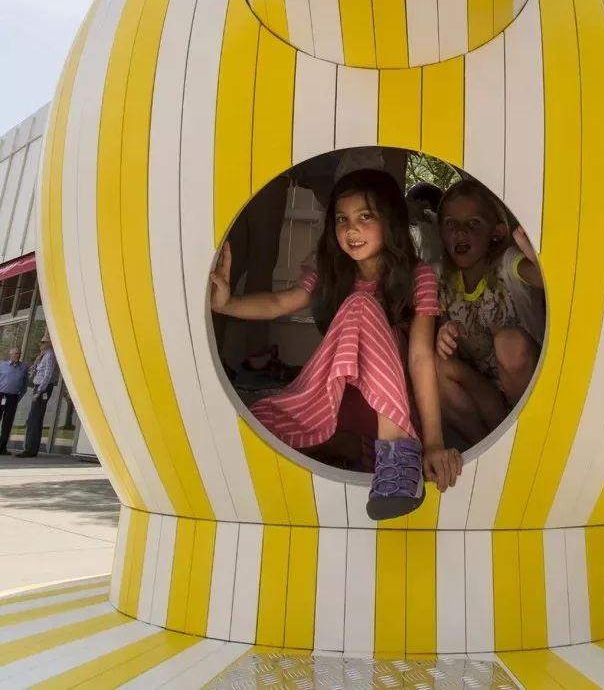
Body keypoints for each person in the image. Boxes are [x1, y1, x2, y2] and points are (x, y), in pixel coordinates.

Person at [211, 168, 462, 520]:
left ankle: (397, 451)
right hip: (335, 401)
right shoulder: (332, 271)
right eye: (342, 219)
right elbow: (280, 302)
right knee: (255, 426)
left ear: (390, 221)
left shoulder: (417, 275)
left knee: (361, 306)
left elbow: (421, 358)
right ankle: (360, 449)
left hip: (392, 412)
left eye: (365, 217)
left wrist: (433, 443)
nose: (351, 229)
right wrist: (226, 305)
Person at [435, 180, 545, 447]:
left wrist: (538, 259)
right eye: (451, 224)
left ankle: (526, 437)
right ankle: (486, 450)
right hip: (488, 398)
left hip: (532, 390)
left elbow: (543, 279)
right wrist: (444, 333)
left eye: (473, 223)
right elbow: (446, 346)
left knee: (508, 342)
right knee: (436, 363)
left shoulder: (507, 263)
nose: (460, 232)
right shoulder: (442, 279)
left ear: (496, 231)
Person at [15, 336, 58, 458]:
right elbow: (35, 370)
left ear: (49, 344)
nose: (41, 344)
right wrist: (35, 362)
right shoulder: (43, 355)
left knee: (33, 419)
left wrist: (39, 391)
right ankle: (31, 448)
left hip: (42, 388)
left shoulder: (50, 355)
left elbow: (48, 374)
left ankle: (30, 449)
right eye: (41, 342)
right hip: (38, 386)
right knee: (34, 418)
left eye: (43, 342)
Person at [406, 181, 443, 264]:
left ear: (424, 206)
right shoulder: (441, 229)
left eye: (408, 200)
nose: (405, 205)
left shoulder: (422, 231)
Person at [0, 346, 29, 454]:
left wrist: (18, 397)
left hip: (13, 398)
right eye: (16, 353)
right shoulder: (2, 365)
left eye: (19, 354)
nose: (18, 356)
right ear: (11, 354)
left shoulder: (24, 367)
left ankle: (2, 448)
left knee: (7, 423)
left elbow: (25, 385)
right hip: (1, 395)